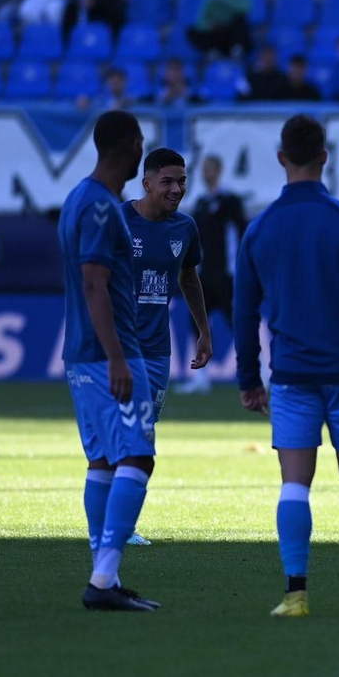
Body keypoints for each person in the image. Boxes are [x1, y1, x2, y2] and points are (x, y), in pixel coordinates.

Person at [234, 114, 339, 619]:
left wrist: (249, 378)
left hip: (290, 374)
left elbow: (245, 313)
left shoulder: (260, 229)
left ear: (280, 158)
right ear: (325, 157)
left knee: (294, 483)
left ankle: (295, 596)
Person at [55, 110, 160, 612]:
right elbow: (95, 281)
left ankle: (103, 574)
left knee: (101, 460)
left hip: (79, 353)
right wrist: (118, 356)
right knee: (137, 456)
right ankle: (103, 579)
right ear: (131, 145)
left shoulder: (77, 197)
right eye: (140, 141)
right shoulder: (100, 207)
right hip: (108, 353)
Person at [123, 147, 213, 547]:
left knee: (144, 435)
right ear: (146, 183)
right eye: (167, 181)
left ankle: (122, 525)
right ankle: (114, 525)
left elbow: (189, 279)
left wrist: (204, 331)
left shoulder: (185, 228)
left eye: (181, 182)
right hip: (118, 348)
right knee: (126, 436)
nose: (177, 189)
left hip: (158, 352)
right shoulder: (118, 222)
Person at [178, 154, 248, 394]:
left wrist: (239, 269)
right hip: (204, 276)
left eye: (210, 168)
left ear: (219, 170)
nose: (206, 172)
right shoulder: (199, 203)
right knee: (195, 322)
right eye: (204, 168)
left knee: (238, 323)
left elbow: (241, 234)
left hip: (226, 276)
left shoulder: (229, 200)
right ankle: (201, 377)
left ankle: (258, 372)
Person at [188, 0, 254, 59]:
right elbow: (202, 20)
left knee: (240, 19)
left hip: (232, 34)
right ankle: (213, 52)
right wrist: (209, 26)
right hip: (217, 34)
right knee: (192, 31)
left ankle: (237, 50)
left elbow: (245, 9)